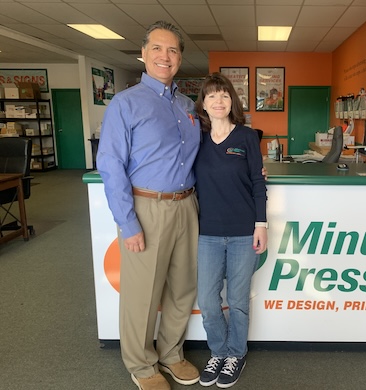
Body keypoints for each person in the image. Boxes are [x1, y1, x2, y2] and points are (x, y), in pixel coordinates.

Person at [96, 21, 200, 390]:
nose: (165, 56)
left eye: (172, 50)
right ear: (143, 54)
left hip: (188, 206)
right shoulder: (125, 103)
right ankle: (142, 365)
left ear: (180, 58)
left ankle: (171, 354)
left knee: (183, 288)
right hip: (147, 209)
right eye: (157, 48)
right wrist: (129, 222)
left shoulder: (188, 105)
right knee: (142, 295)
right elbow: (110, 165)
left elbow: (201, 158)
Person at [193, 73, 268, 388]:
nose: (218, 101)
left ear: (231, 102)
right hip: (207, 233)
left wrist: (261, 224)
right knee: (208, 301)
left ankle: (235, 354)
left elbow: (257, 182)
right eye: (212, 96)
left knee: (237, 300)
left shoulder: (248, 137)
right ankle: (218, 351)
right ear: (204, 104)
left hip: (242, 232)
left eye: (224, 95)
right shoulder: (196, 139)